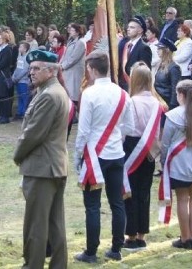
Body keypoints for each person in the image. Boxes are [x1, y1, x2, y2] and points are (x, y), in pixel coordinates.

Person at [72, 51, 134, 264]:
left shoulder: (89, 94)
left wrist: (78, 154)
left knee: (92, 206)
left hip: (94, 155)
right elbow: (129, 126)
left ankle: (91, 251)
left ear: (91, 69)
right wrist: (116, 137)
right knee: (117, 203)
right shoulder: (122, 94)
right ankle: (116, 248)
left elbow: (83, 130)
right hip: (116, 153)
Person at [13, 49, 70, 269]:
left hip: (42, 168)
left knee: (36, 225)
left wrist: (17, 156)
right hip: (52, 166)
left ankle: (33, 265)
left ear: (51, 70)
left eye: (36, 68)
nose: (31, 73)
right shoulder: (52, 91)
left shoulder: (48, 95)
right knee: (55, 224)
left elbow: (33, 133)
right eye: (30, 68)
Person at [161, 80, 192, 249]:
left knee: (182, 199)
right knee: (191, 198)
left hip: (180, 165)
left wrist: (162, 163)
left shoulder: (174, 116)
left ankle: (185, 238)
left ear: (181, 95)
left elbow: (165, 144)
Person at [122, 63, 164, 253]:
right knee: (144, 192)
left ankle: (130, 235)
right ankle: (141, 235)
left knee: (130, 192)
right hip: (149, 151)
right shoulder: (157, 104)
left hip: (132, 147)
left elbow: (126, 129)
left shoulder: (131, 102)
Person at [118, 16, 153, 89]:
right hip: (121, 84)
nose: (128, 29)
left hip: (135, 86)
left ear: (140, 30)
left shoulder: (144, 48)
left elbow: (145, 72)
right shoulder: (126, 45)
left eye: (132, 27)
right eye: (128, 27)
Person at [0, 28, 15, 124]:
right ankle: (0, 115)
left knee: (4, 96)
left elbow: (4, 63)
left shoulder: (8, 49)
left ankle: (5, 116)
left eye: (0, 38)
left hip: (3, 76)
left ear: (5, 39)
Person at [60, 23, 86, 110]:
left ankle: (74, 113)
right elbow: (65, 55)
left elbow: (73, 58)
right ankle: (70, 112)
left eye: (72, 30)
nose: (70, 32)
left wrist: (63, 66)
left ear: (77, 32)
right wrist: (60, 64)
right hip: (68, 71)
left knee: (73, 93)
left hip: (75, 72)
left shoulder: (81, 42)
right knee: (68, 92)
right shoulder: (70, 41)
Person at [154, 38, 181, 109]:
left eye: (160, 49)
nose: (157, 51)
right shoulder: (160, 64)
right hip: (159, 100)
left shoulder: (174, 67)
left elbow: (175, 88)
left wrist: (172, 105)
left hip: (167, 102)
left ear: (167, 50)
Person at [12, 42, 31, 120]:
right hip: (18, 81)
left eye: (21, 47)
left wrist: (17, 78)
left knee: (24, 98)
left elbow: (25, 70)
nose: (19, 48)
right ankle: (19, 112)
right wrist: (13, 76)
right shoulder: (19, 57)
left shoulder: (27, 58)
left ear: (25, 49)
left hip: (23, 81)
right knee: (19, 97)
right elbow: (17, 68)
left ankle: (25, 113)